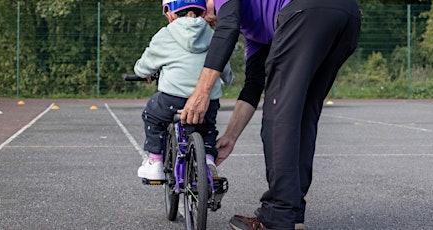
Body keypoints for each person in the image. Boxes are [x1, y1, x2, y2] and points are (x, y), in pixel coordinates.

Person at [179, 0, 362, 229]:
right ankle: (293, 214)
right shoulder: (259, 32)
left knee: (279, 121)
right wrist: (231, 136)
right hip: (347, 13)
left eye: (202, 8)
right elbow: (254, 85)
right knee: (304, 114)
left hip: (306, 11)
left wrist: (201, 92)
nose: (204, 16)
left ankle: (278, 216)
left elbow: (228, 29)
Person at [134, 0, 233, 181]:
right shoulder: (212, 34)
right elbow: (222, 62)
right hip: (208, 101)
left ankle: (155, 161)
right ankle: (209, 160)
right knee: (207, 128)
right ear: (202, 12)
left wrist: (142, 72)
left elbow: (144, 66)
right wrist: (228, 78)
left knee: (152, 114)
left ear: (169, 13)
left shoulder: (165, 34)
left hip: (173, 100)